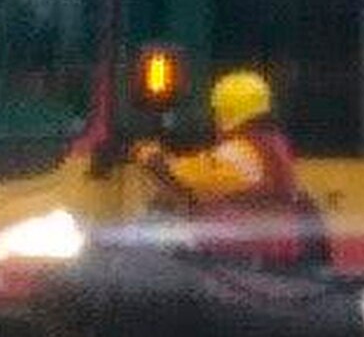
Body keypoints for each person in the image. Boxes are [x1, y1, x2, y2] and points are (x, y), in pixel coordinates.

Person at [134, 69, 328, 268]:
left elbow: (183, 176)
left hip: (239, 260)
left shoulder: (240, 152)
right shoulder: (273, 144)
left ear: (229, 111)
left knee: (157, 239)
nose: (215, 118)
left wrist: (150, 156)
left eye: (217, 111)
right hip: (268, 256)